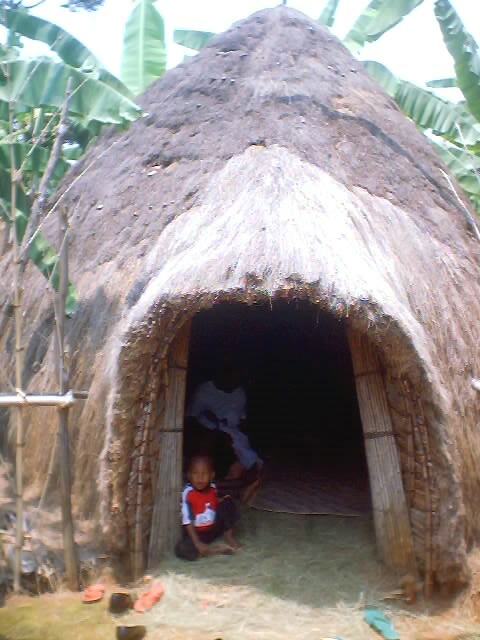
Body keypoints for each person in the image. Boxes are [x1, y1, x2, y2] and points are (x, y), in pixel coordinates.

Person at [186, 367, 263, 483]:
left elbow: (242, 419)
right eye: (230, 379)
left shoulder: (240, 393)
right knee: (217, 442)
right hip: (208, 429)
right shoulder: (204, 391)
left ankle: (248, 468)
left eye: (236, 380)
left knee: (240, 444)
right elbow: (191, 417)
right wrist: (213, 428)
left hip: (232, 431)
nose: (233, 383)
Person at [175, 455, 241, 561]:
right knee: (182, 549)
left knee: (228, 502)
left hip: (213, 528)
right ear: (189, 475)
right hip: (198, 533)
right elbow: (187, 521)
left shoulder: (212, 488)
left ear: (212, 475)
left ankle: (229, 537)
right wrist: (197, 543)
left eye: (204, 474)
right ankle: (214, 550)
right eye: (195, 473)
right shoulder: (188, 493)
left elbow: (213, 503)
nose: (200, 478)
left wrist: (223, 502)